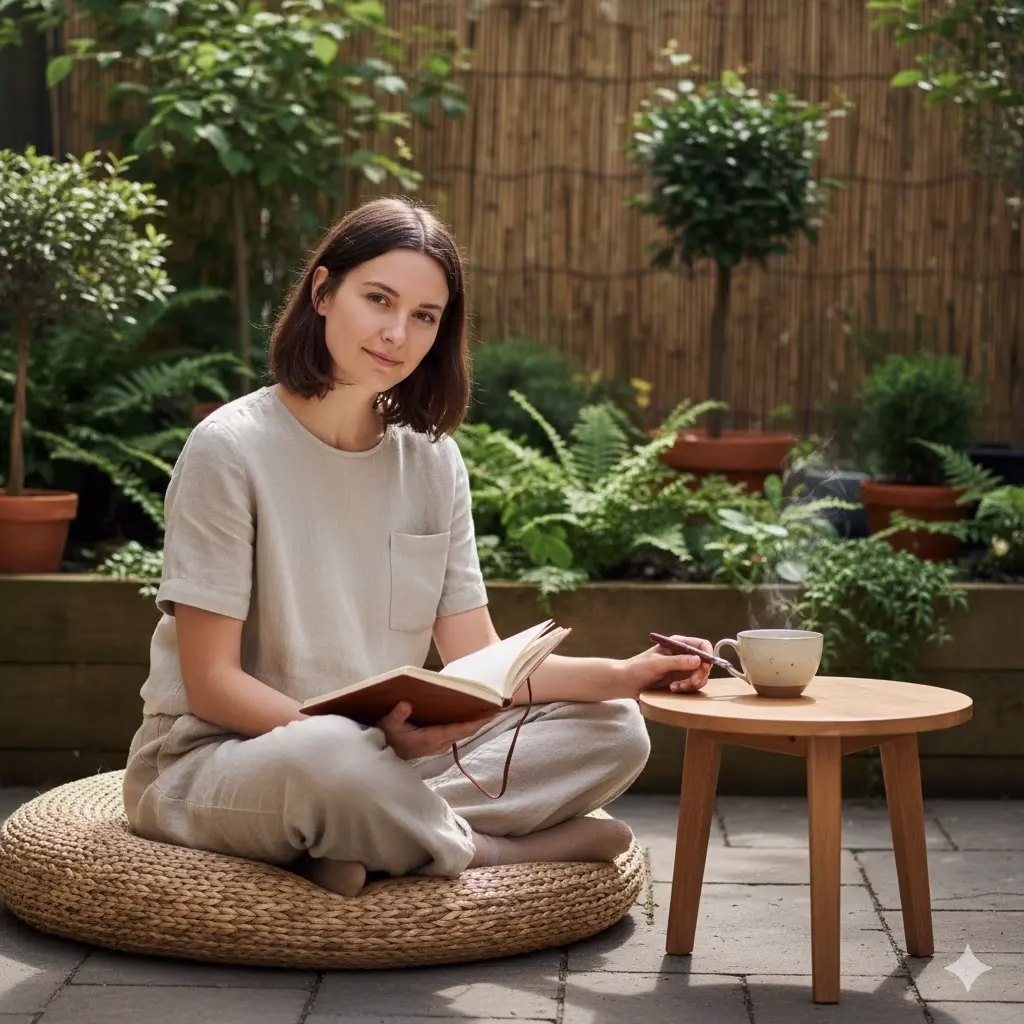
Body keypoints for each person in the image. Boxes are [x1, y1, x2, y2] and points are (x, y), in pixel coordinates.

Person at [122, 196, 713, 898]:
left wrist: (628, 674)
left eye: (425, 316)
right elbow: (212, 683)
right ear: (322, 292)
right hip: (222, 761)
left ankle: (362, 839)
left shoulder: (433, 461)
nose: (396, 334)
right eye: (378, 299)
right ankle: (485, 848)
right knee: (331, 759)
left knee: (614, 730)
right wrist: (369, 746)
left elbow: (476, 662)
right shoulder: (228, 449)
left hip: (382, 757)